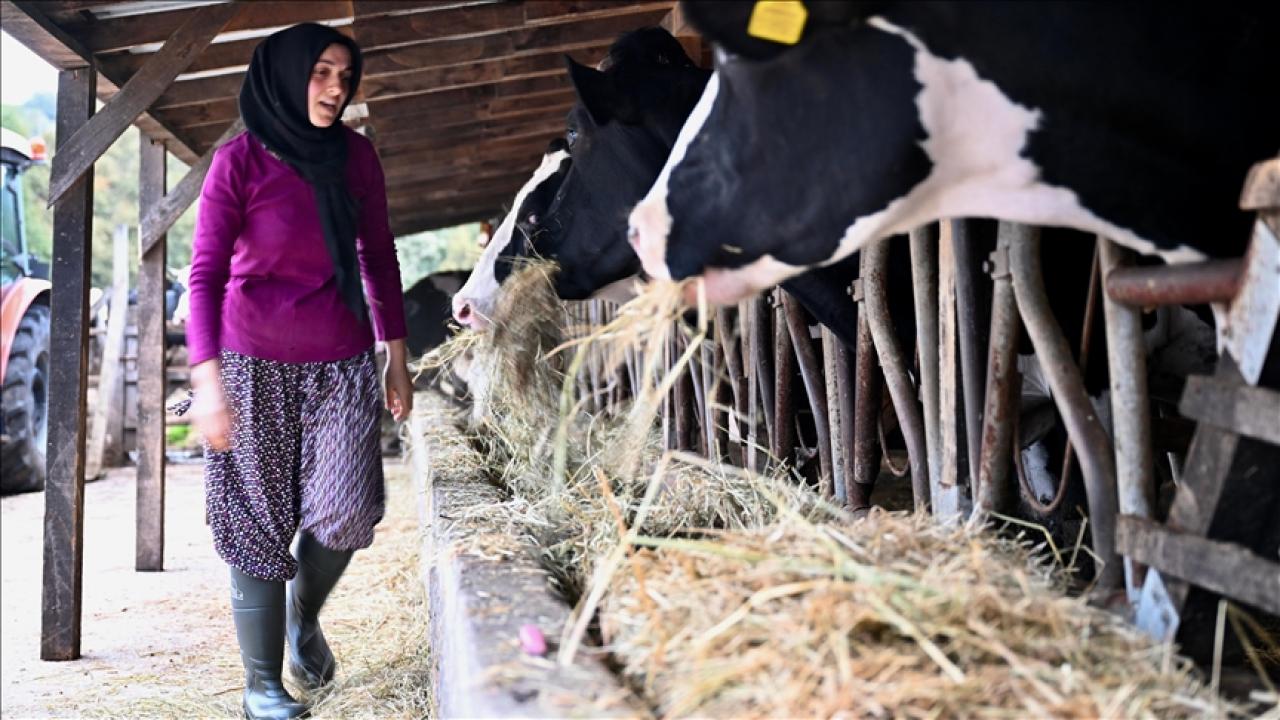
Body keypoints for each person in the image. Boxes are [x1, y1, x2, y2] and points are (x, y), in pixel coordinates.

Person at [185, 22, 413, 720]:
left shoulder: (355, 158)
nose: (336, 88)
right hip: (251, 363)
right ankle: (262, 686)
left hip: (341, 362)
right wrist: (206, 381)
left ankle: (302, 619)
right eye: (320, 72)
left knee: (345, 511)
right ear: (285, 75)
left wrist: (395, 355)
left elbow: (378, 255)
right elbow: (204, 276)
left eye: (345, 75)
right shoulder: (240, 162)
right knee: (257, 521)